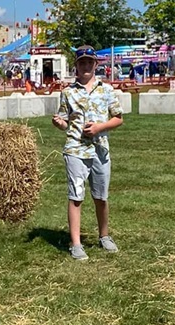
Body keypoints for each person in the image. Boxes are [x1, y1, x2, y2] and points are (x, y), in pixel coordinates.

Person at [50, 45, 124, 261]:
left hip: (100, 150)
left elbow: (118, 118)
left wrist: (100, 128)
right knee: (76, 196)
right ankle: (75, 244)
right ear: (76, 66)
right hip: (75, 149)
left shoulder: (107, 90)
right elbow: (65, 122)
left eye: (89, 62)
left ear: (95, 65)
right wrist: (59, 123)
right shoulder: (68, 92)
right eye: (81, 62)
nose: (85, 66)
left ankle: (104, 235)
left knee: (101, 196)